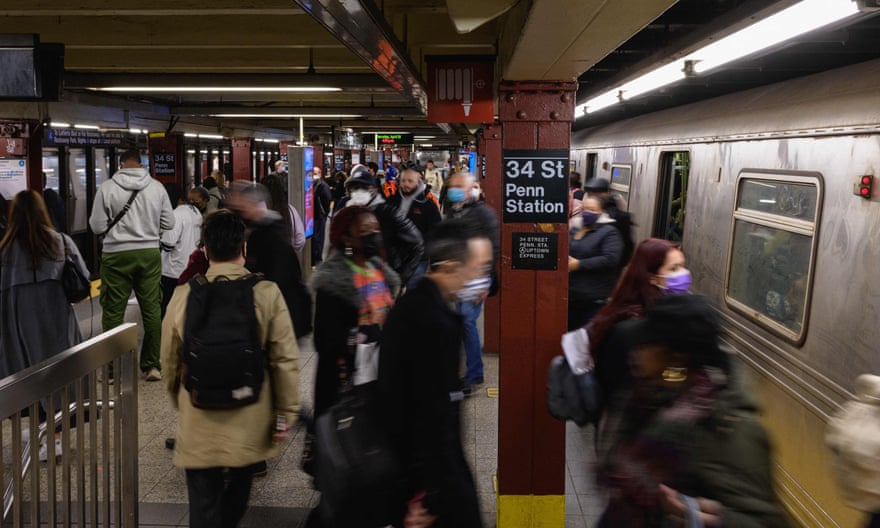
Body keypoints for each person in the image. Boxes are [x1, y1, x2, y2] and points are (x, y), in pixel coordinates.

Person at [597, 294, 790, 528]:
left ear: (677, 356)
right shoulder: (645, 396)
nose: (637, 349)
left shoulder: (729, 427)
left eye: (648, 342)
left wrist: (706, 516)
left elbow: (766, 522)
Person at [160, 209, 300, 528]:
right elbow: (284, 359)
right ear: (244, 249)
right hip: (248, 420)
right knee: (236, 498)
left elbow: (168, 359)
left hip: (199, 418)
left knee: (203, 507)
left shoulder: (184, 295)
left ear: (205, 250)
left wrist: (179, 400)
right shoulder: (265, 293)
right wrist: (285, 411)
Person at [378, 218, 493, 528]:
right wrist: (420, 494)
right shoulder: (431, 322)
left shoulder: (422, 307)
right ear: (451, 266)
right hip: (431, 484)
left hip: (429, 475)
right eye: (478, 268)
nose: (482, 279)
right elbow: (422, 413)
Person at [0, 190, 90, 461]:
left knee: (25, 374)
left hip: (16, 324)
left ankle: (37, 430)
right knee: (56, 375)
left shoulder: (4, 249)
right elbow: (83, 277)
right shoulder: (60, 242)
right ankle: (55, 439)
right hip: (54, 321)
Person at [89, 149, 174, 382]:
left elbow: (96, 226)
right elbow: (169, 222)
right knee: (152, 310)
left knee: (114, 312)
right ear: (141, 164)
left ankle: (112, 371)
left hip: (116, 255)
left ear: (120, 164)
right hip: (148, 253)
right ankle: (151, 366)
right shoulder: (156, 187)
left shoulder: (107, 188)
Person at [589, 238, 689, 417]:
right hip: (632, 417)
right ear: (652, 276)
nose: (683, 274)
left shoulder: (659, 308)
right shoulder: (635, 320)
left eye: (683, 266)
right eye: (673, 268)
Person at [226, 181, 311, 338]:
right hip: (278, 312)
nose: (238, 207)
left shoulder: (268, 236)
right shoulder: (265, 228)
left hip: (279, 315)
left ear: (252, 204)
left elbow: (276, 279)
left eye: (241, 203)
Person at [443, 172, 499, 393]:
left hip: (476, 277)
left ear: (470, 189)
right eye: (452, 185)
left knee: (466, 321)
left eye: (459, 186)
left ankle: (475, 374)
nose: (454, 189)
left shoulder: (484, 214)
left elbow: (493, 247)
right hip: (457, 275)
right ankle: (460, 371)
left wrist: (486, 280)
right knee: (459, 321)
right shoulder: (452, 211)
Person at [343, 164, 424, 287]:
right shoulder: (345, 214)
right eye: (354, 188)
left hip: (382, 282)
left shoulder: (389, 213)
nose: (359, 191)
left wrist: (400, 277)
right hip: (352, 281)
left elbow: (417, 244)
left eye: (364, 187)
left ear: (374, 190)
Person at [568, 197, 623, 330]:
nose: (587, 213)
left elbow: (611, 258)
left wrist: (579, 264)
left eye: (592, 210)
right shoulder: (576, 229)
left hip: (594, 298)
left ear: (601, 212)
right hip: (571, 296)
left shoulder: (609, 232)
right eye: (585, 209)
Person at [388, 167, 441, 289]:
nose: (406, 184)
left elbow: (435, 231)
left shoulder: (427, 205)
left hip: (418, 259)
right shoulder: (391, 202)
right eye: (403, 181)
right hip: (394, 257)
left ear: (418, 182)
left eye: (410, 181)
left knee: (413, 290)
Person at [159, 183, 203, 316]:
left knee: (168, 309)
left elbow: (168, 244)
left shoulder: (176, 215)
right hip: (191, 268)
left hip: (173, 271)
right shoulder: (195, 212)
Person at [585, 177, 634, 266]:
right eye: (590, 194)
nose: (592, 197)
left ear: (606, 194)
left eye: (596, 193)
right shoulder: (587, 214)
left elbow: (625, 248)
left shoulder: (617, 218)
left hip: (609, 268)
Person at [261, 173, 305, 257]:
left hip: (265, 259)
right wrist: (292, 252)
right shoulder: (290, 209)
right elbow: (300, 238)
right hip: (286, 258)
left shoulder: (260, 210)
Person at [312, 167, 332, 266]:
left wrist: (325, 212)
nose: (314, 175)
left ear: (320, 173)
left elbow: (327, 199)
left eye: (316, 173)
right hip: (314, 215)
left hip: (319, 215)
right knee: (315, 237)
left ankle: (318, 258)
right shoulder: (314, 184)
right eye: (313, 173)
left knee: (318, 238)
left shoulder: (322, 186)